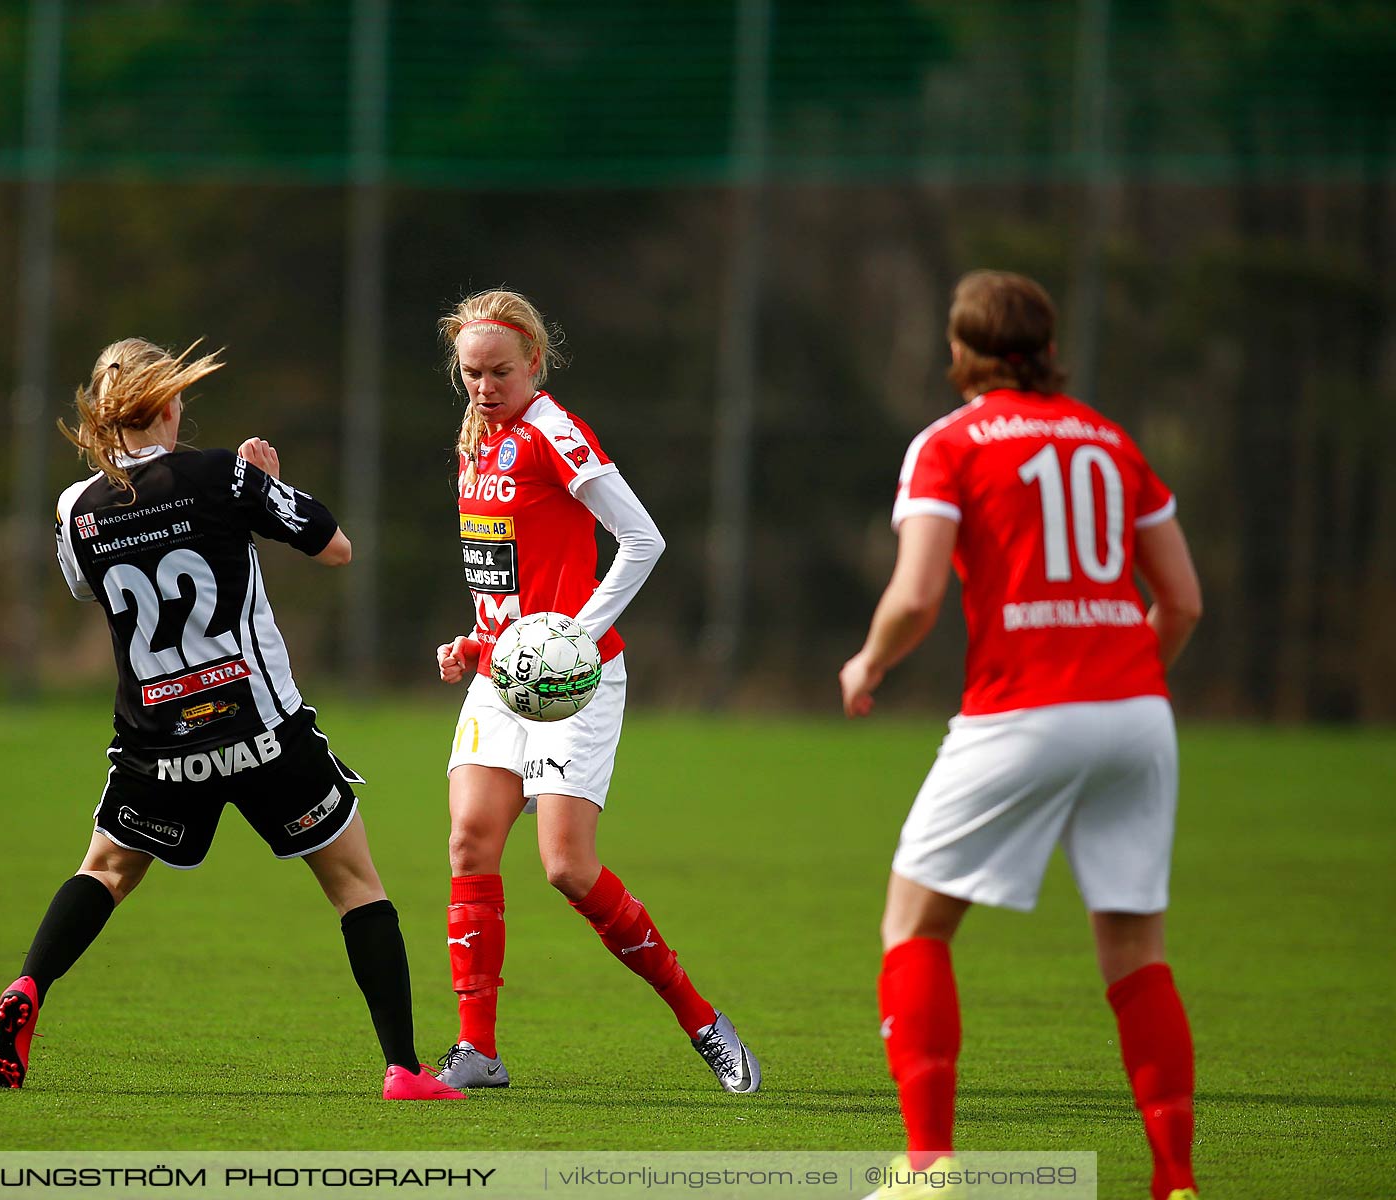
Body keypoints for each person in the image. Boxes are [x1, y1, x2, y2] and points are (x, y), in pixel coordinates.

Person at [0, 337, 462, 1101]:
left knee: (103, 871)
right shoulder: (223, 475)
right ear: (172, 404)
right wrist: (264, 487)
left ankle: (30, 986)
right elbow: (335, 548)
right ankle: (404, 1069)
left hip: (158, 743)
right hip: (261, 730)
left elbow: (89, 589)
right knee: (356, 886)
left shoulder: (77, 508)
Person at [840, 271, 1204, 1199]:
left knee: (914, 924)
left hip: (1023, 709)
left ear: (961, 350)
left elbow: (918, 595)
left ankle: (929, 1170)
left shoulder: (948, 443)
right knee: (1136, 950)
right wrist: (1123, 682)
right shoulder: (1112, 439)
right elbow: (1184, 600)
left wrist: (869, 664)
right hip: (1138, 711)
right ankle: (1175, 1181)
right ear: (1047, 348)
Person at [429, 288, 761, 1094]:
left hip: (575, 680)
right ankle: (479, 1050)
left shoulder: (554, 432)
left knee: (567, 867)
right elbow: (506, 568)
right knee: (471, 839)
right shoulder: (478, 438)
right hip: (501, 673)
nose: (483, 387)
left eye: (499, 372)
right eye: (470, 373)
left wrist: (573, 633)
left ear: (534, 361)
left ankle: (701, 1020)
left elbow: (643, 539)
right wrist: (474, 639)